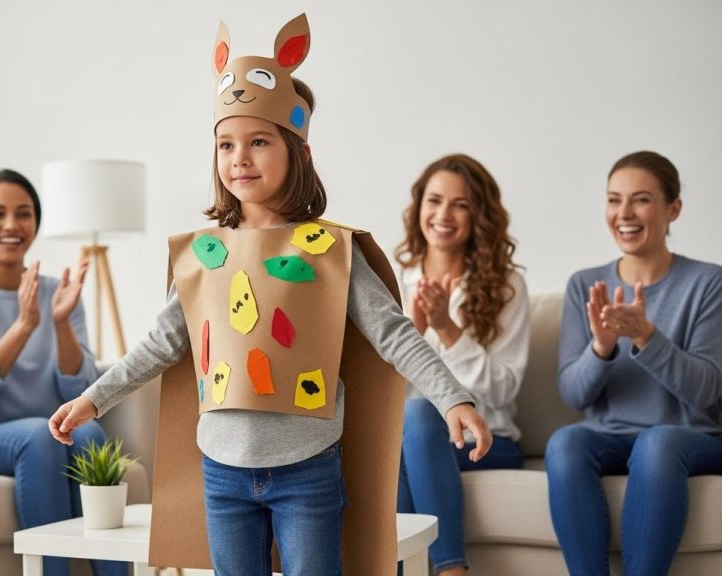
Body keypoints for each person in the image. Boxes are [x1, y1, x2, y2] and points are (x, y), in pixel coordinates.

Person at [47, 14, 493, 575]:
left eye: (259, 141)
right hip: (221, 469)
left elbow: (394, 334)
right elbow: (160, 344)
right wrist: (94, 399)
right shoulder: (204, 255)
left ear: (298, 151)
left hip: (308, 468)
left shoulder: (328, 250)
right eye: (226, 144)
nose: (240, 158)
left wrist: (453, 398)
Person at [0, 169, 125, 576]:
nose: (12, 225)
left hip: (47, 433)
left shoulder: (59, 291)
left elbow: (82, 390)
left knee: (91, 434)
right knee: (37, 435)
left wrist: (62, 324)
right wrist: (24, 326)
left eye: (24, 214)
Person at [546, 150, 722, 576]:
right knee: (565, 442)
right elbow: (574, 394)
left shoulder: (708, 282)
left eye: (641, 199)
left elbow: (707, 391)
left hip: (689, 437)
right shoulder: (585, 285)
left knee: (657, 443)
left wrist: (646, 336)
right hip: (611, 435)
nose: (624, 213)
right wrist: (602, 347)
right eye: (613, 199)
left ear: (672, 209)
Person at [394, 154, 530, 576]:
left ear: (479, 215)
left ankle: (452, 570)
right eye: (434, 201)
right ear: (419, 207)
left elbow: (503, 390)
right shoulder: (396, 279)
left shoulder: (506, 285)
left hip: (488, 441)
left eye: (461, 204)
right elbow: (381, 396)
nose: (443, 215)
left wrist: (447, 329)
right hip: (413, 438)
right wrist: (412, 333)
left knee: (416, 417)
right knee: (402, 434)